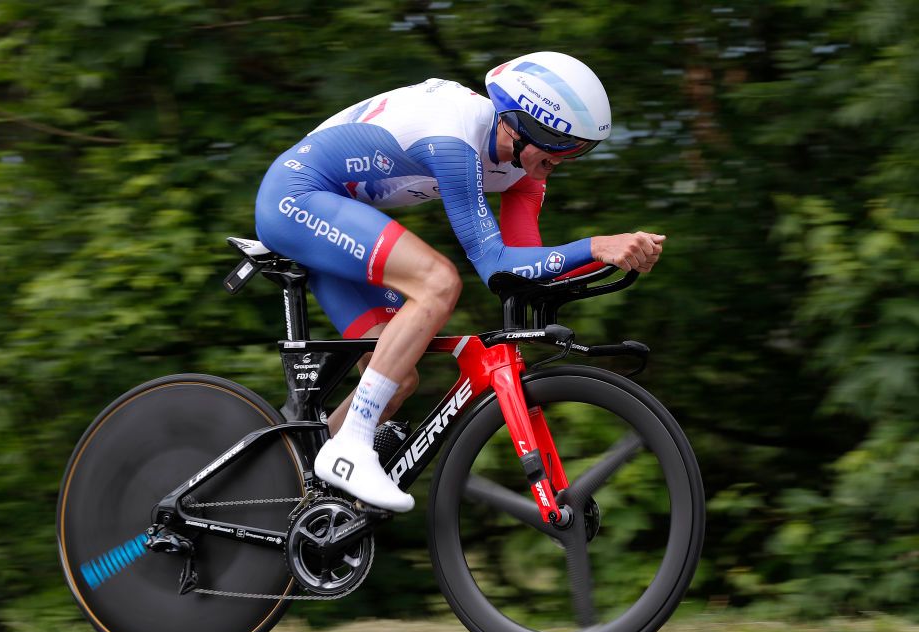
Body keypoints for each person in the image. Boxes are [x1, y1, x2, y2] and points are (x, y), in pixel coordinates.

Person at [255, 52, 664, 512]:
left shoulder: (523, 173)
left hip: (334, 219)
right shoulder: (453, 135)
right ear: (524, 122)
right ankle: (350, 448)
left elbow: (520, 270)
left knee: (394, 377)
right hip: (296, 198)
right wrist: (594, 246)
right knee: (438, 281)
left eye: (579, 148)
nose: (567, 158)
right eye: (562, 143)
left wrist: (613, 260)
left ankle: (285, 495)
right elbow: (492, 262)